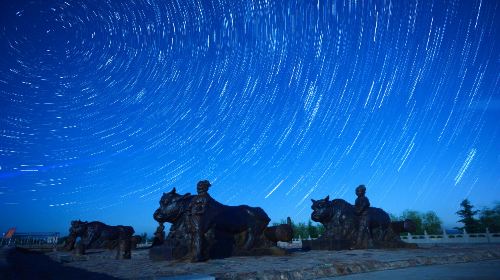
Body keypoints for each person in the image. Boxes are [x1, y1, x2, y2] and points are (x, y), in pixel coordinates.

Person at [354, 184, 372, 248]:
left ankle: (358, 245)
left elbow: (366, 204)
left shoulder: (364, 198)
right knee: (361, 230)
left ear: (363, 192)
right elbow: (356, 207)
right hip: (360, 217)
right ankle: (367, 243)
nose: (357, 193)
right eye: (356, 191)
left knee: (361, 230)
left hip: (365, 216)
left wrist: (359, 211)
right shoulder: (357, 199)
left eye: (359, 191)